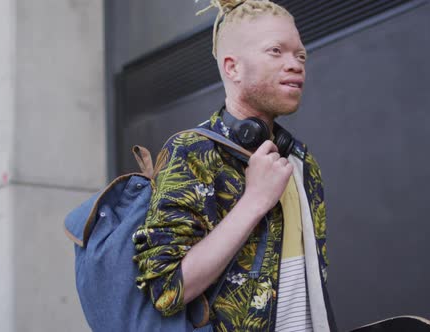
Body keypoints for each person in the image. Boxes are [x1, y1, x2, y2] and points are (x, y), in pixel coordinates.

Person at [132, 1, 336, 330]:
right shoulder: (191, 151)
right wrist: (254, 200)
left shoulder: (301, 160)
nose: (295, 64)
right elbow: (167, 289)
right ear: (232, 68)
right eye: (276, 51)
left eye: (301, 55)